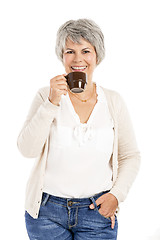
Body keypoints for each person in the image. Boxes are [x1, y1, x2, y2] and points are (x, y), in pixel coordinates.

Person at [17, 18, 140, 240]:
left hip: (97, 211)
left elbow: (130, 155)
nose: (78, 59)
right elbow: (27, 150)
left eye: (85, 51)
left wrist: (116, 195)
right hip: (46, 214)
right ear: (61, 56)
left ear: (97, 56)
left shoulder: (113, 101)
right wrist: (52, 103)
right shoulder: (46, 96)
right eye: (69, 51)